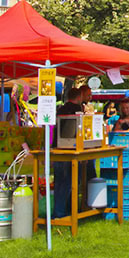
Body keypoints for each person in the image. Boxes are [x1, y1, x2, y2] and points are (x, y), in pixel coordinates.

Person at [53, 88, 83, 217]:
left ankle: (60, 210)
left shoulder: (60, 109)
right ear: (79, 96)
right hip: (69, 149)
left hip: (56, 148)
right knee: (67, 182)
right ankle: (61, 212)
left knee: (59, 181)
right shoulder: (77, 109)